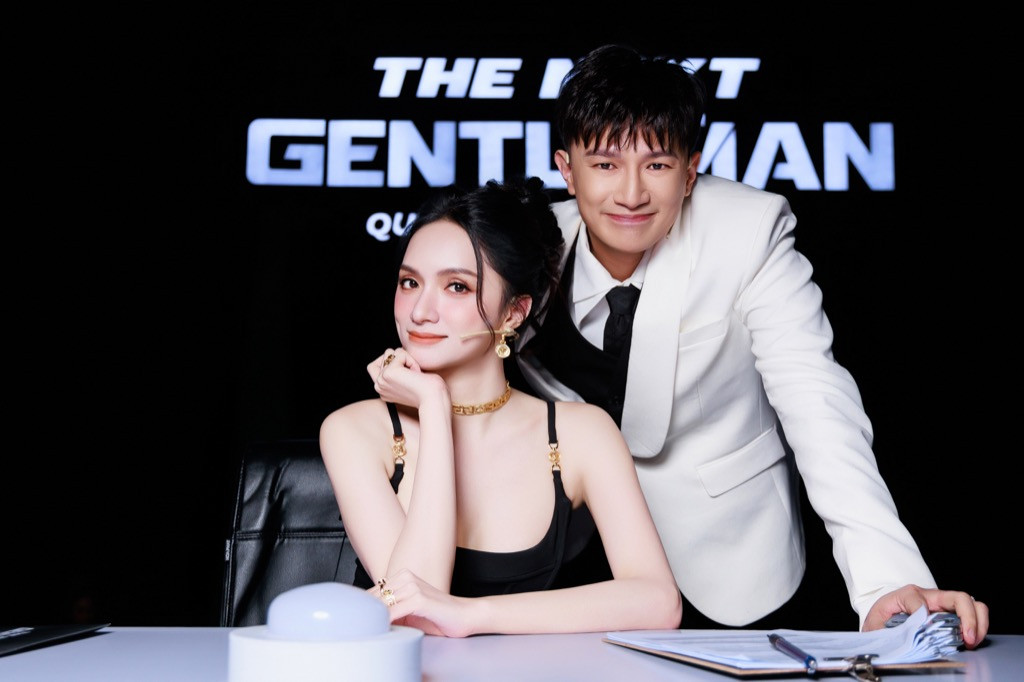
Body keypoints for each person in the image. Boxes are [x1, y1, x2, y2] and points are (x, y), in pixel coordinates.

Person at [512, 44, 989, 646]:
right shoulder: (531, 245)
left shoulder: (749, 231)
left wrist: (887, 580)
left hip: (725, 557)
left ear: (690, 171)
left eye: (657, 165)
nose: (630, 193)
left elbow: (815, 398)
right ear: (566, 168)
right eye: (605, 164)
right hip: (567, 558)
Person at [319, 177, 682, 637]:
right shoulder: (353, 431)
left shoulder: (581, 434)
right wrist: (434, 407)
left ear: (513, 313)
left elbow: (659, 602)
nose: (420, 311)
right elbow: (413, 615)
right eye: (410, 282)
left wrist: (471, 615)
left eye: (456, 287)